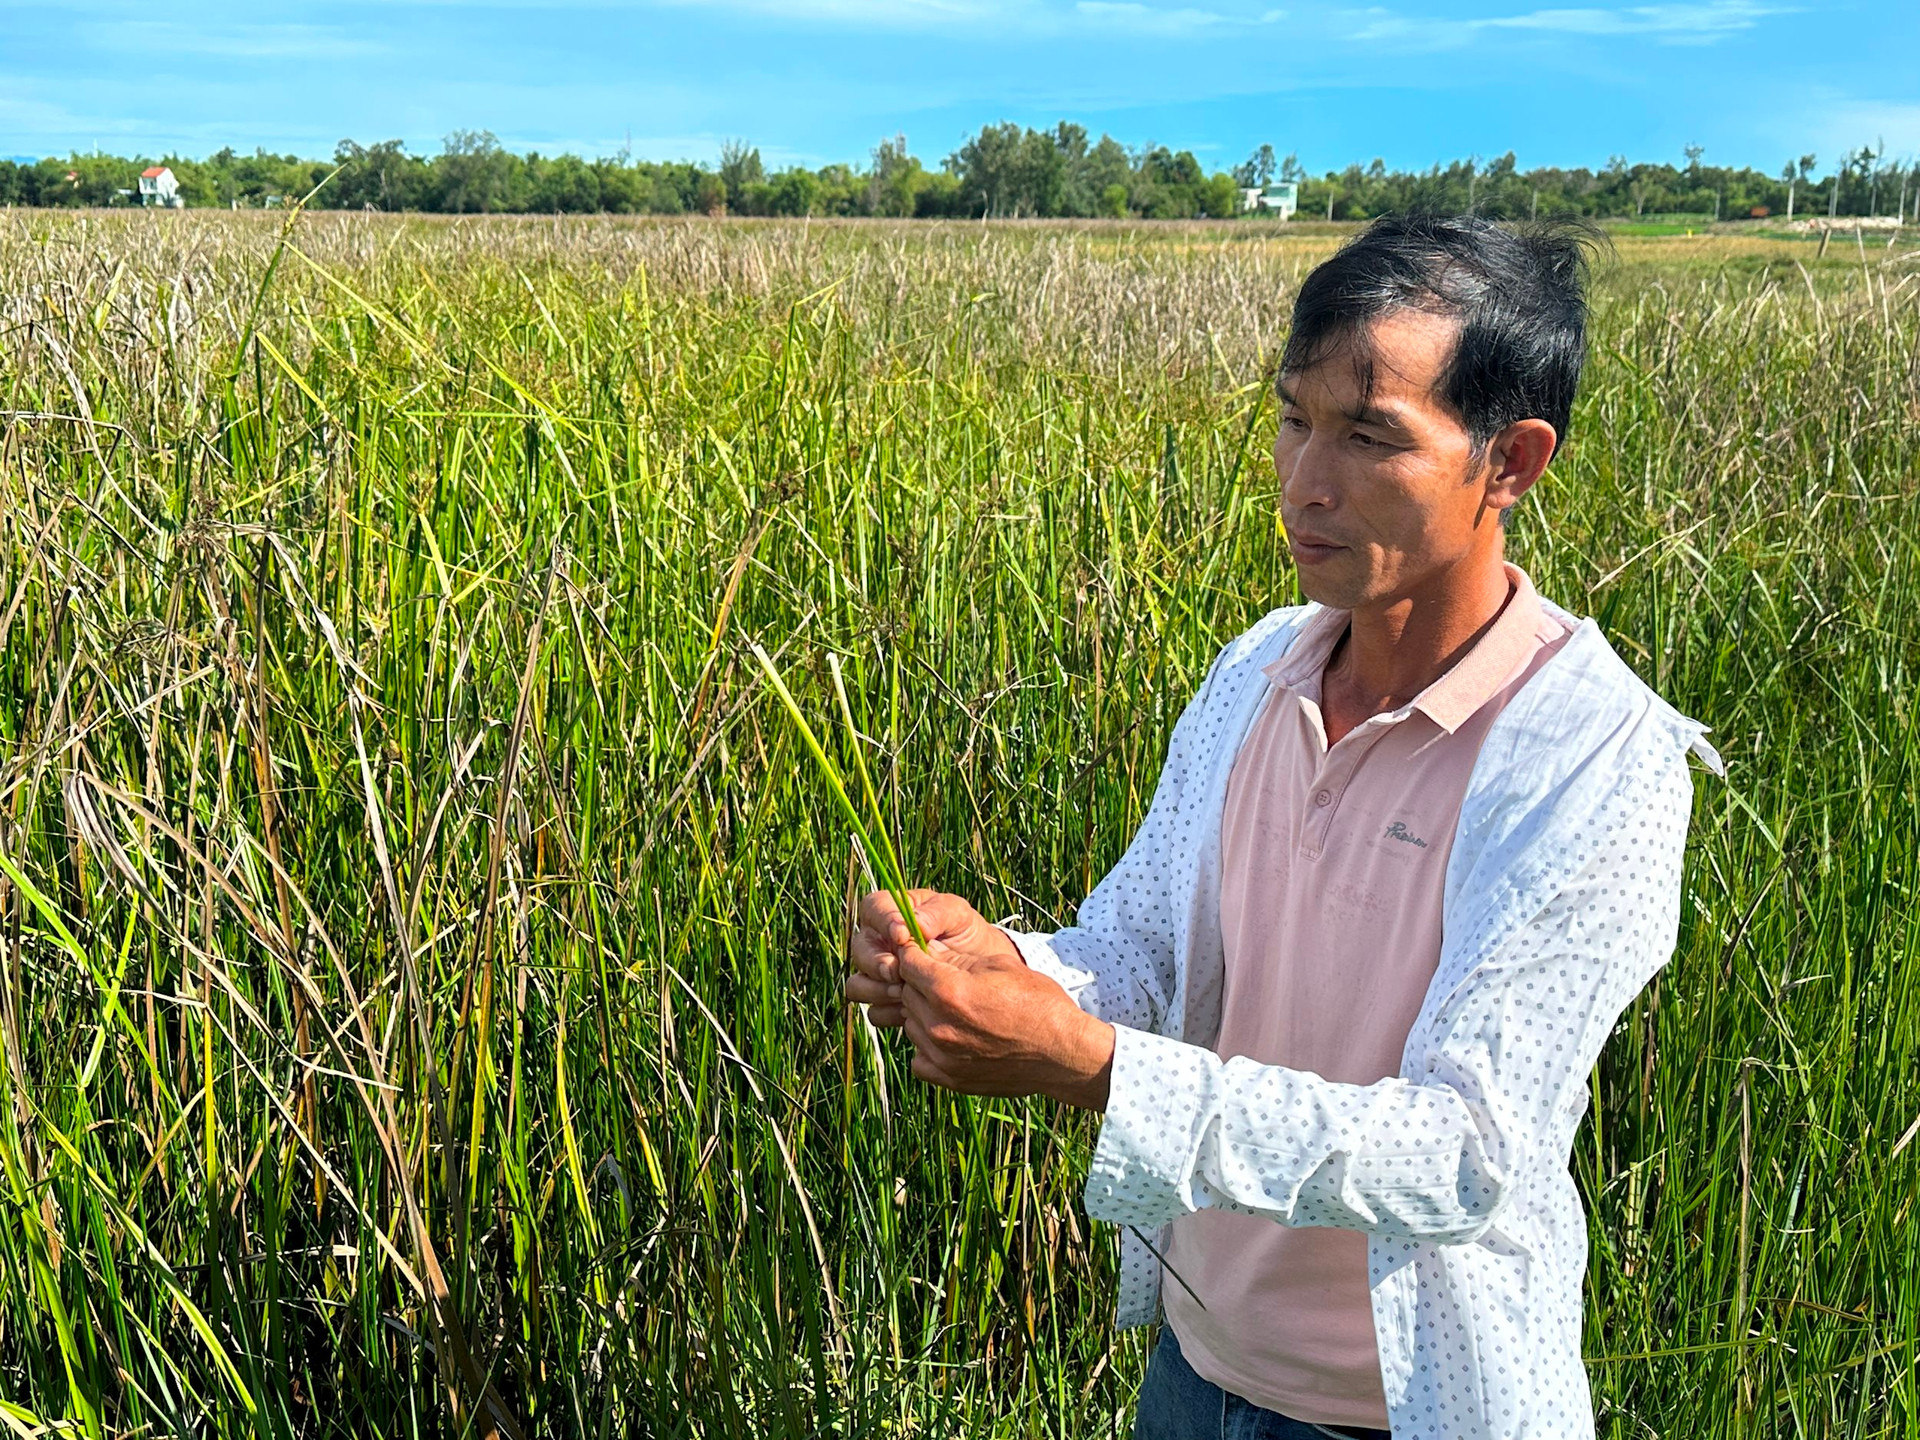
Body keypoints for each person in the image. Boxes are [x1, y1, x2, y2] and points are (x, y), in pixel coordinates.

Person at [844, 213, 1720, 1440]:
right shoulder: (1260, 671)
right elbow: (1146, 943)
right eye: (1296, 417)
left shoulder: (1594, 758)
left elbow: (1464, 1154)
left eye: (1370, 436)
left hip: (1409, 1412)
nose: (1305, 480)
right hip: (1196, 1375)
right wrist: (1006, 968)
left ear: (1511, 461)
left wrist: (1096, 1072)